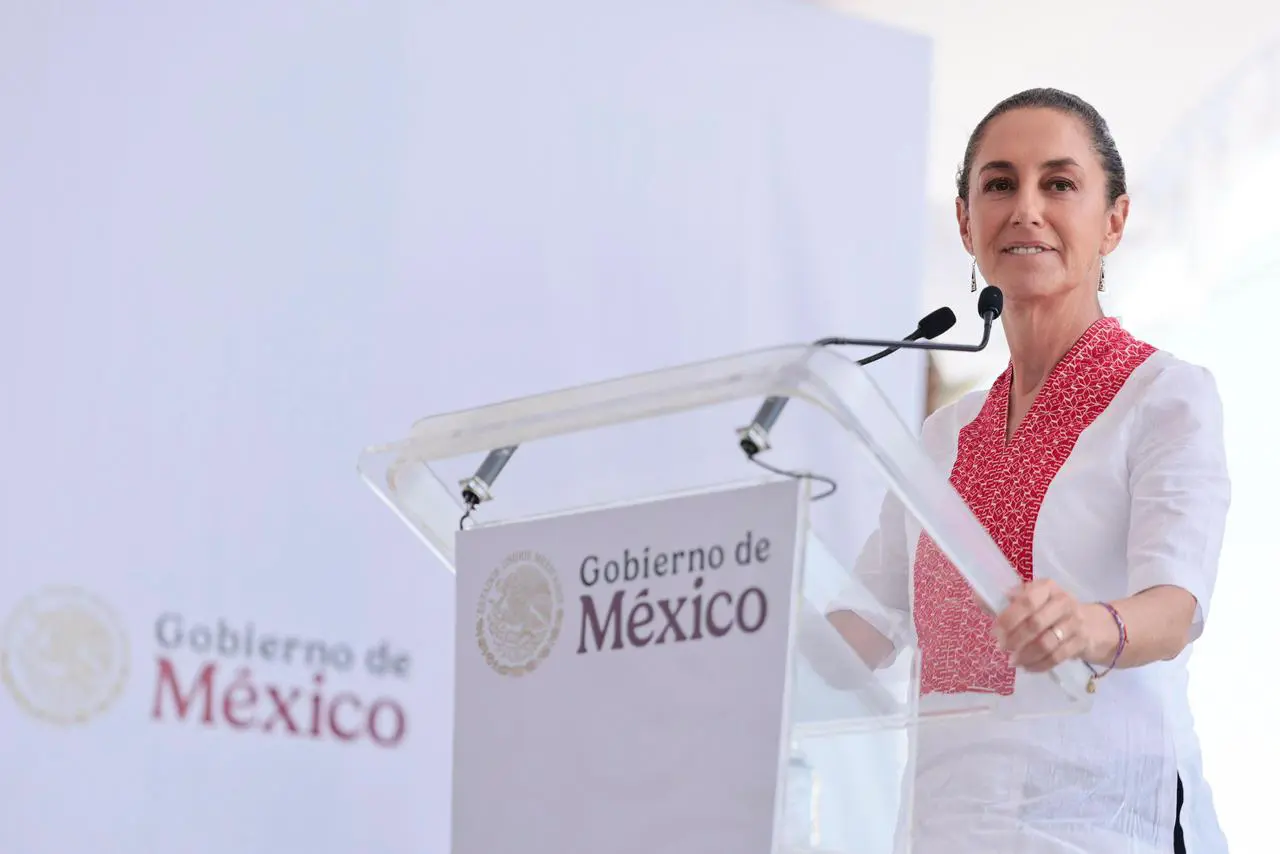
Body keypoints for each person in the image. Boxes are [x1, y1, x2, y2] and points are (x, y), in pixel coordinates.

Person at [825, 88, 1231, 854]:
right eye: (1000, 183)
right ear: (964, 221)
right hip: (948, 827)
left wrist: (1087, 624)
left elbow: (1174, 607)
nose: (1027, 207)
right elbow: (861, 635)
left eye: (1060, 183)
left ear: (1114, 221)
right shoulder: (941, 437)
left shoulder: (1166, 396)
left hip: (1105, 823)